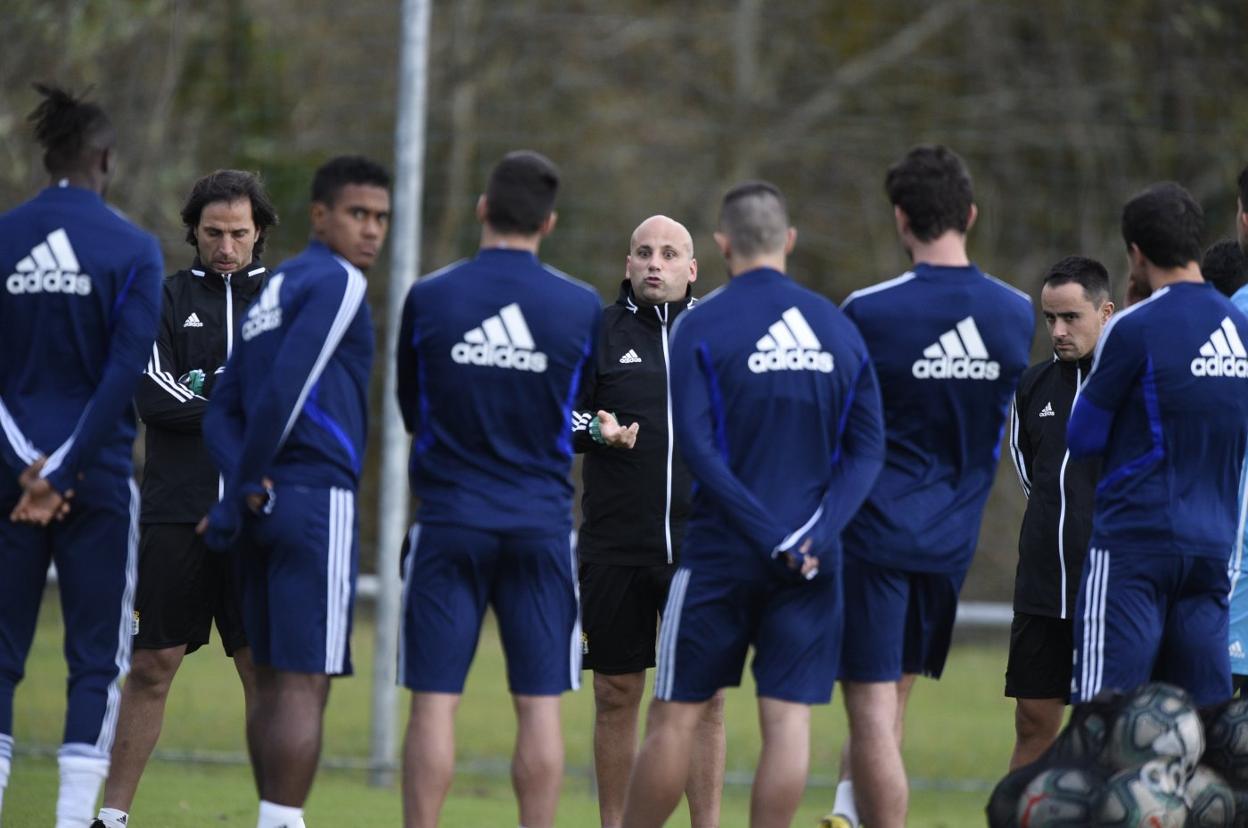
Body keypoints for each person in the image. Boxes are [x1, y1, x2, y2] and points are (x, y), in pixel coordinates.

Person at [620, 181, 886, 828]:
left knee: (675, 716)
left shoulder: (699, 325)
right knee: (787, 722)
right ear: (787, 241)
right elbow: (868, 452)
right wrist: (814, 538)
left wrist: (768, 534)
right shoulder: (837, 326)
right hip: (811, 563)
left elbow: (700, 451)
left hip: (720, 555)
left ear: (720, 245)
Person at [825, 145, 1033, 828]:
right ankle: (845, 815)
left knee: (872, 710)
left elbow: (839, 427)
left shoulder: (867, 311)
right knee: (892, 700)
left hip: (877, 537)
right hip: (952, 543)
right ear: (970, 214)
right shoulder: (1014, 314)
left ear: (900, 220)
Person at [396, 150, 603, 828]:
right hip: (540, 527)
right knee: (539, 705)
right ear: (549, 222)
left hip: (449, 520)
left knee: (433, 702)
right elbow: (579, 417)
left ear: (483, 209)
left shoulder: (429, 296)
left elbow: (409, 410)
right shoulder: (579, 308)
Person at [198, 155, 390, 828]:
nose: (371, 231)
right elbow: (286, 388)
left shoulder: (274, 288)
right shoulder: (338, 282)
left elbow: (223, 409)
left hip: (260, 506)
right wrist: (245, 482)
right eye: (357, 214)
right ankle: (281, 822)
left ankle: (271, 816)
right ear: (319, 216)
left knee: (273, 682)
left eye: (380, 218)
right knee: (303, 683)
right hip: (313, 502)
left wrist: (237, 492)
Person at [92, 170, 278, 828]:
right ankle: (111, 816)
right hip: (177, 511)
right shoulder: (163, 298)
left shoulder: (286, 302)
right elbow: (150, 394)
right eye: (212, 233)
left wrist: (215, 400)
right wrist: (235, 402)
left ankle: (277, 817)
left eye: (238, 234)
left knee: (264, 670)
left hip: (263, 515)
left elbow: (295, 397)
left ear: (260, 234)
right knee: (152, 663)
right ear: (193, 232)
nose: (226, 246)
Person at [0, 85, 162, 827]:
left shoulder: (5, 235)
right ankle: (71, 821)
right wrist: (64, 471)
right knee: (96, 656)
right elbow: (124, 373)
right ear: (104, 159)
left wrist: (27, 466)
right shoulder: (134, 248)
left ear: (46, 158)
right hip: (94, 481)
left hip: (8, 478)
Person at [1068, 182, 1248, 706]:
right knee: (1201, 724)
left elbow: (1083, 435)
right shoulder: (1240, 325)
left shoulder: (1133, 327)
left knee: (1108, 719)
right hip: (1214, 550)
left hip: (1136, 548)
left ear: (1137, 254)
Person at [572, 215, 725, 828]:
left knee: (705, 698)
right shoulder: (599, 332)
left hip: (702, 547)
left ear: (692, 269)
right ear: (628, 265)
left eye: (669, 253)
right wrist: (596, 431)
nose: (654, 262)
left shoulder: (719, 333)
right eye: (643, 252)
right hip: (615, 547)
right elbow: (559, 419)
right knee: (616, 694)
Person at [1004, 256, 1113, 769]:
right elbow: (1033, 475)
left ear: (1105, 312)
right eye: (1050, 319)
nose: (1059, 331)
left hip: (1111, 591)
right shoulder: (1032, 386)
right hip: (1043, 586)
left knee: (1111, 732)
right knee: (1032, 722)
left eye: (1071, 317)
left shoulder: (1132, 384)